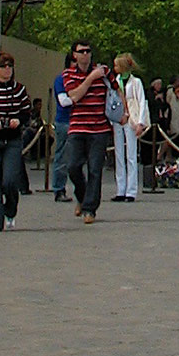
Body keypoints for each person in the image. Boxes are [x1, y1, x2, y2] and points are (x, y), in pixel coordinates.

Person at [0, 51, 34, 232]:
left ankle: (10, 209)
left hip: (12, 140)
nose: (7, 69)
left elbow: (27, 112)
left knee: (10, 179)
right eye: (3, 66)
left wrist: (19, 120)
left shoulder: (19, 90)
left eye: (10, 66)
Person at [60, 41, 110, 222]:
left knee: (95, 169)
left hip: (99, 128)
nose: (85, 55)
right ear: (74, 55)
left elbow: (116, 90)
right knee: (72, 166)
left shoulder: (103, 72)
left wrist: (124, 111)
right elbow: (74, 95)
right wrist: (90, 78)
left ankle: (90, 209)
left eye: (88, 51)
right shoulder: (68, 74)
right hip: (78, 127)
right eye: (81, 52)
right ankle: (82, 196)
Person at [107, 53, 148, 203]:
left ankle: (131, 190)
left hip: (131, 118)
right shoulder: (116, 81)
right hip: (119, 118)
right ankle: (120, 189)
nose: (115, 68)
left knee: (131, 154)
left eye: (117, 65)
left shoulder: (136, 82)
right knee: (119, 153)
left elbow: (142, 101)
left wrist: (140, 122)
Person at [51, 49, 74, 201]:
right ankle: (59, 188)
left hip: (79, 120)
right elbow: (64, 101)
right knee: (62, 156)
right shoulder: (61, 80)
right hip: (65, 121)